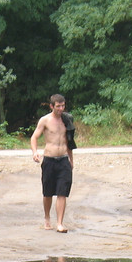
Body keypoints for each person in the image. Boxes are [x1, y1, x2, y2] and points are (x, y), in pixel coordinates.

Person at [30, 93, 75, 232]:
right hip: (49, 160)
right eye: (58, 106)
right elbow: (34, 137)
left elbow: (69, 141)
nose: (61, 109)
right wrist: (35, 151)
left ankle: (60, 223)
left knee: (63, 192)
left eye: (63, 106)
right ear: (51, 106)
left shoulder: (67, 120)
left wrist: (71, 160)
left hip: (63, 160)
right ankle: (47, 217)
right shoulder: (45, 120)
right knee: (48, 193)